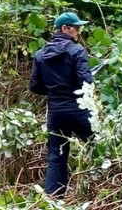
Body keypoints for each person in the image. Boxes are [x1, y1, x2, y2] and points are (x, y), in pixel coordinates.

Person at [30, 11, 95, 197]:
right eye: (76, 28)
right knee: (99, 146)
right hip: (78, 110)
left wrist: (54, 92)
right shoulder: (77, 51)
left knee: (56, 156)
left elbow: (34, 86)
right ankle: (106, 187)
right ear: (64, 29)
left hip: (56, 113)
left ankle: (54, 199)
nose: (79, 31)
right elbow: (86, 82)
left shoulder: (40, 55)